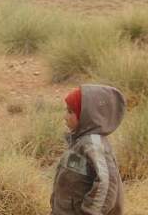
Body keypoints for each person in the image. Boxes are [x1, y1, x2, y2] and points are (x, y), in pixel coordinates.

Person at [51, 85, 125, 215]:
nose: (65, 116)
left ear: (87, 115)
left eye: (70, 112)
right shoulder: (80, 141)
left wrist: (91, 212)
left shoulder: (94, 145)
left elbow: (106, 183)